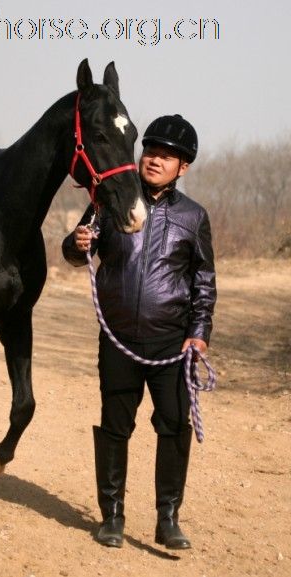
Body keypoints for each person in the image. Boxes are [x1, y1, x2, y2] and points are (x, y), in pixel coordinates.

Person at [62, 114, 217, 550]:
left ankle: (168, 518)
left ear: (183, 166)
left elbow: (204, 282)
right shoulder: (108, 200)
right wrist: (75, 245)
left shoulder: (194, 217)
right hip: (118, 338)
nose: (154, 160)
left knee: (173, 426)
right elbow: (74, 251)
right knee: (115, 426)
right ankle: (111, 516)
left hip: (171, 343)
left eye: (167, 156)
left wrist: (199, 333)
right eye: (150, 150)